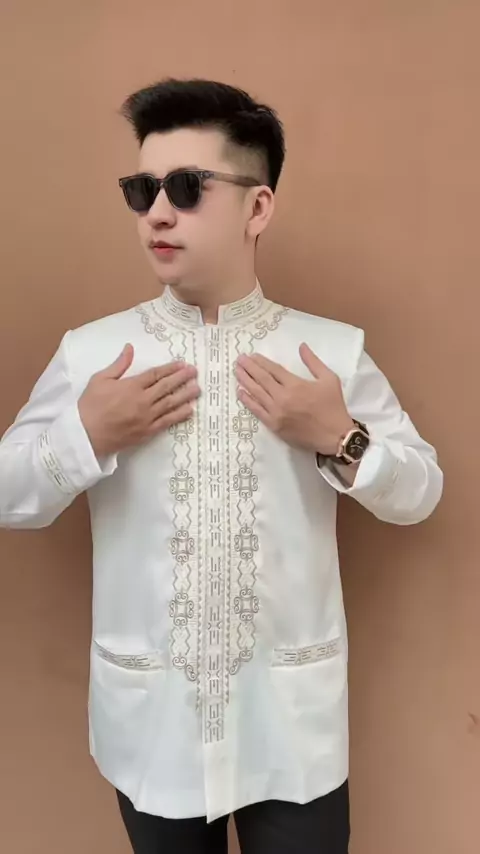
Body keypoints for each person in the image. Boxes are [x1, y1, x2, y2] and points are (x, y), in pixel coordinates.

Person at [0, 79, 443, 854]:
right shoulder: (93, 354)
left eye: (186, 187)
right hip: (152, 730)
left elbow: (421, 491)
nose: (157, 212)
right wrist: (85, 435)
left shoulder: (329, 353)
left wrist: (340, 438)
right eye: (141, 190)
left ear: (257, 207)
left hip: (291, 731)